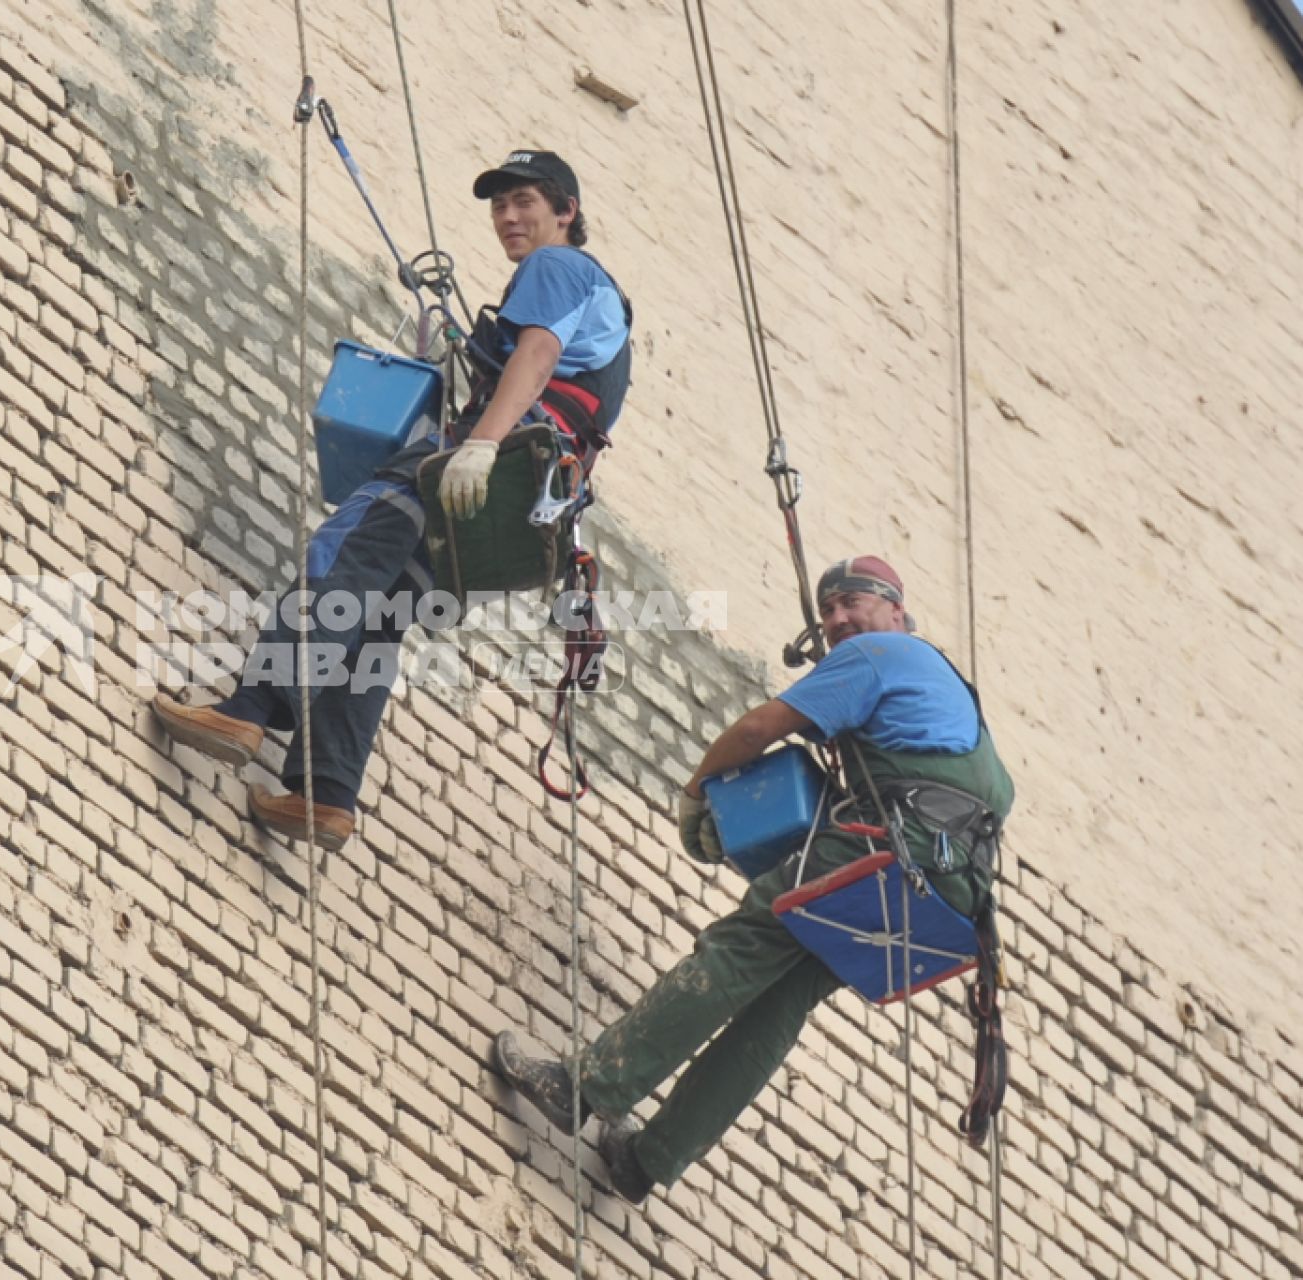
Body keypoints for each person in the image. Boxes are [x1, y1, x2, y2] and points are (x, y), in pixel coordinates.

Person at [491, 556, 1015, 1203]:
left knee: (739, 951)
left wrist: (694, 792)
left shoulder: (882, 653)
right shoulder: (953, 701)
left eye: (852, 601)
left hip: (894, 853)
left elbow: (757, 729)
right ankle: (648, 1160)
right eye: (827, 611)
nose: (836, 619)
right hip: (944, 893)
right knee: (777, 1004)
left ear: (896, 612)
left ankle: (583, 1089)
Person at [152, 150, 633, 850]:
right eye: (499, 206)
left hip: (495, 459)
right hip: (525, 502)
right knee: (376, 617)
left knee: (346, 548)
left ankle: (251, 707)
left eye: (525, 202)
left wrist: (478, 443)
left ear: (566, 211)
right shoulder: (606, 305)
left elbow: (536, 358)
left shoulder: (557, 268)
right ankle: (325, 792)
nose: (507, 217)